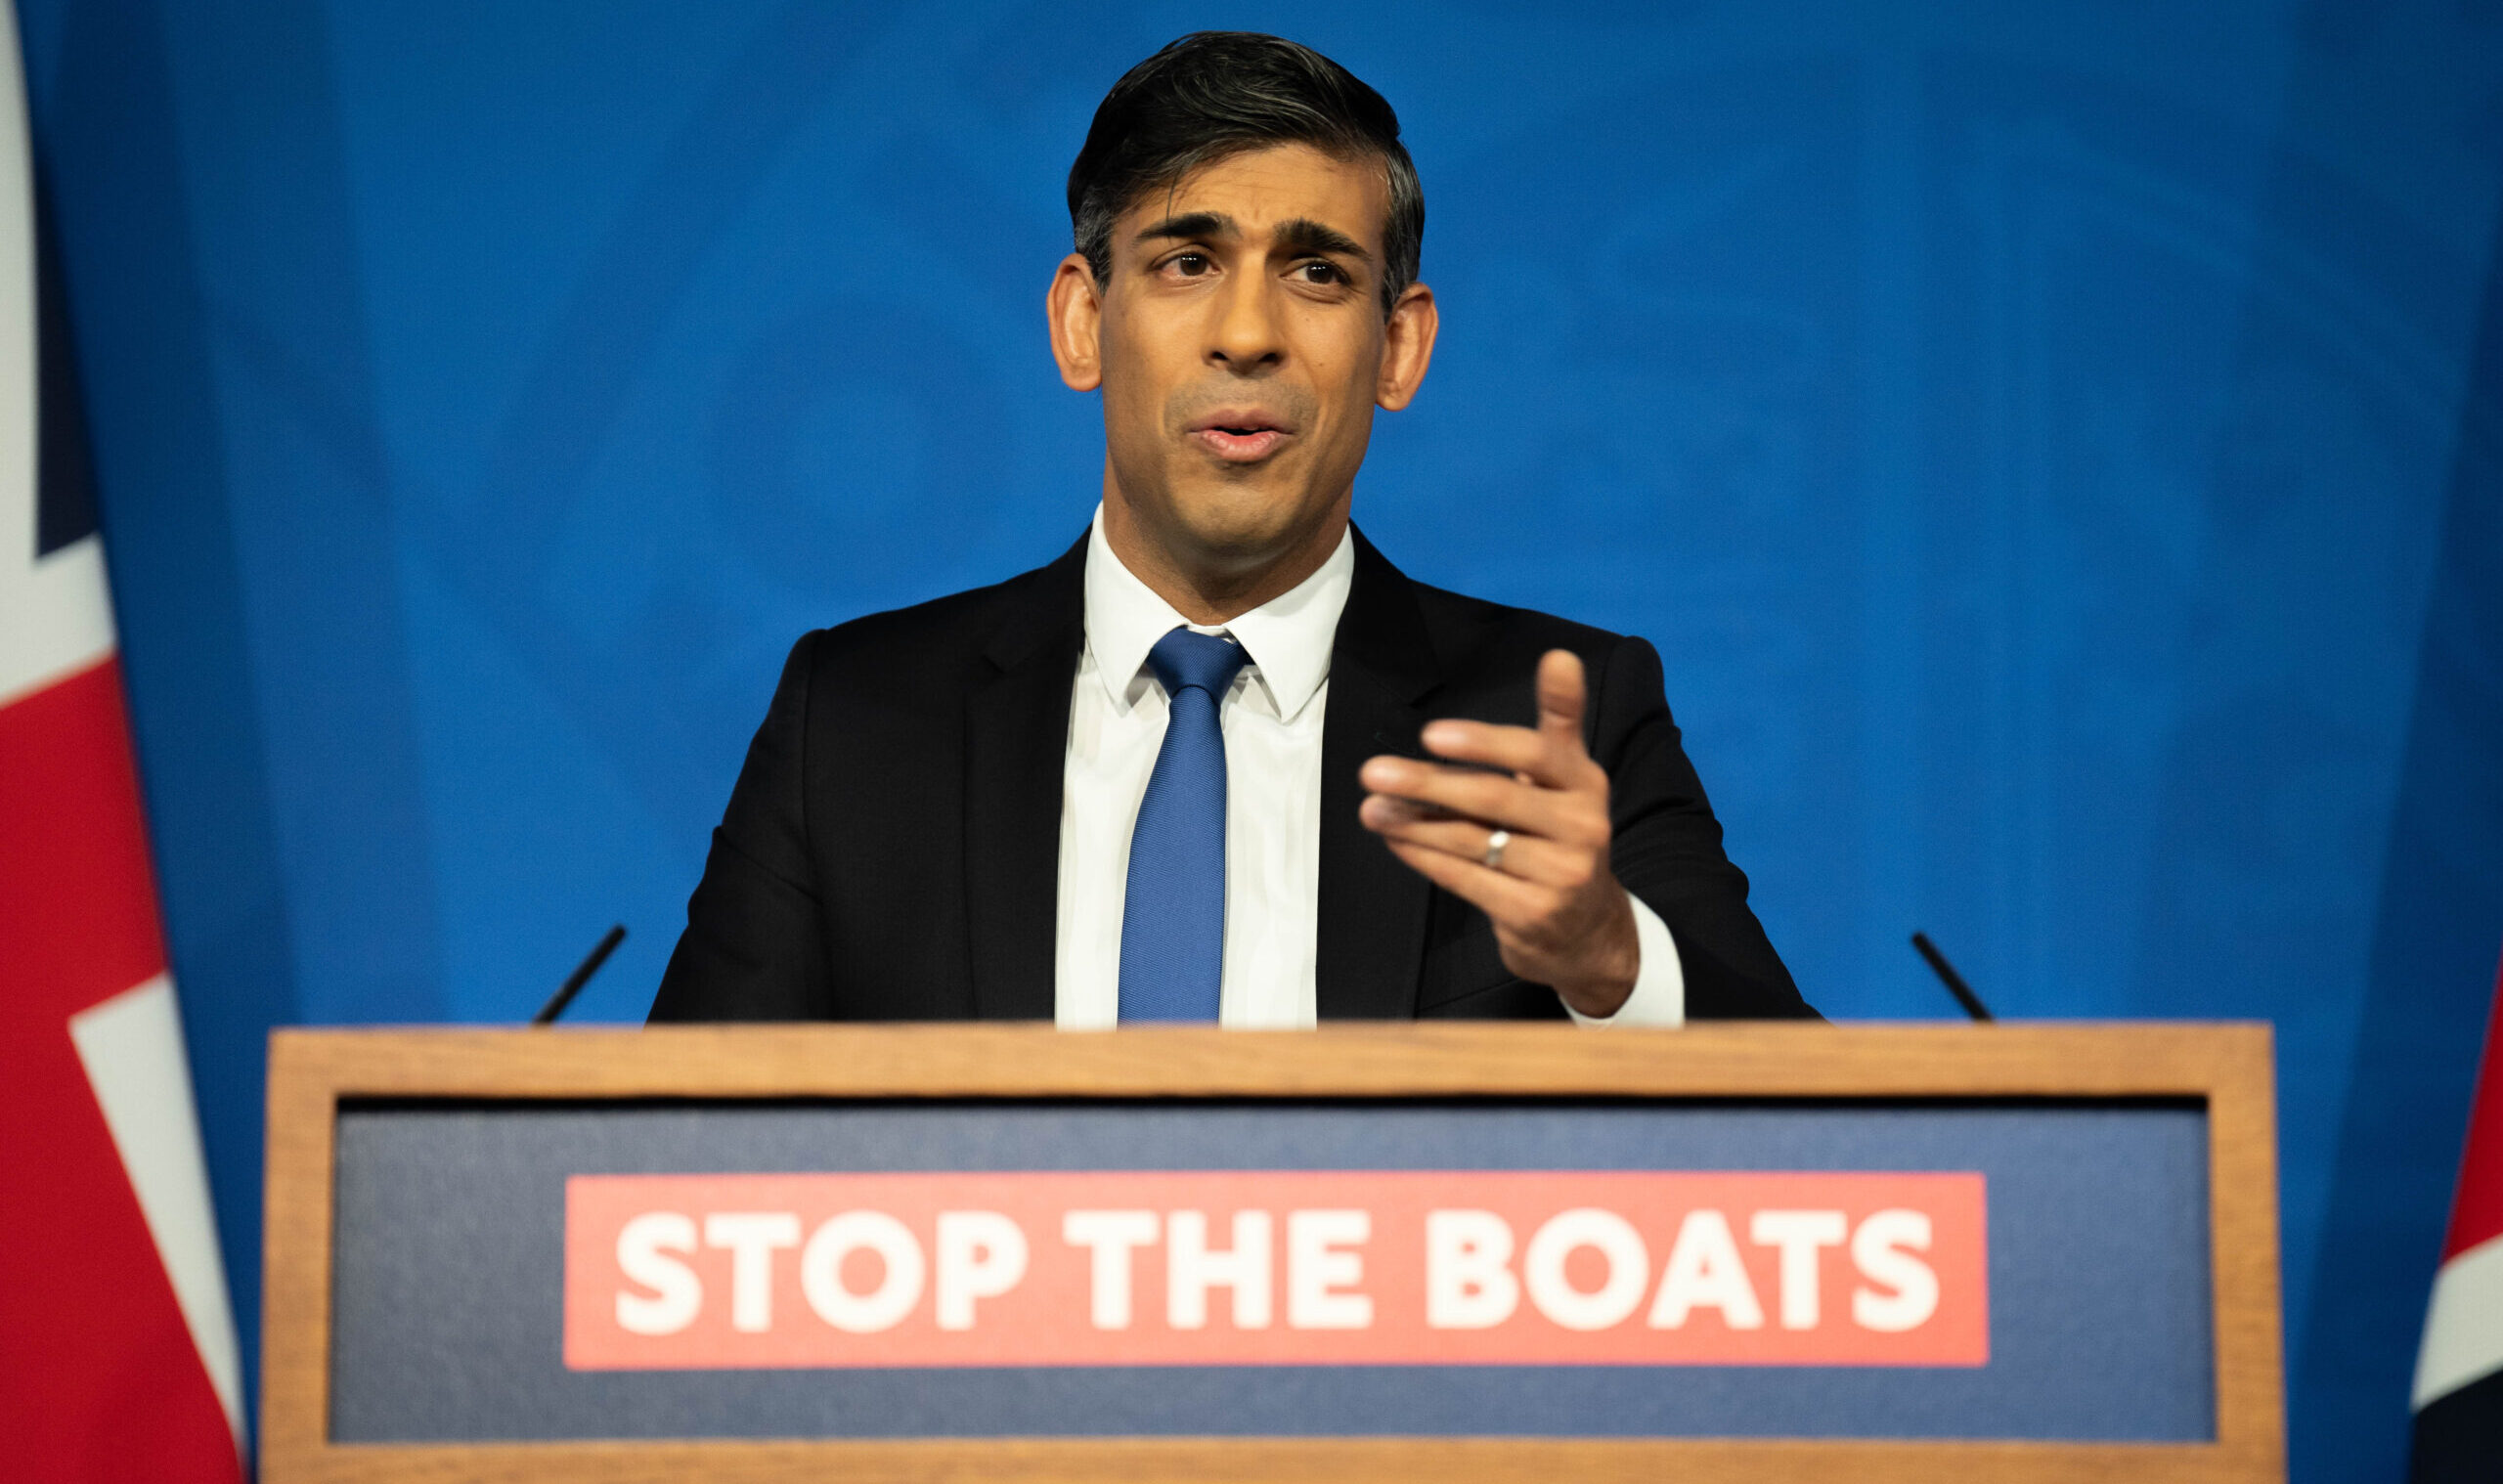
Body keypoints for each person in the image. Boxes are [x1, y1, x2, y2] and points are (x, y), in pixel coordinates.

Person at [649, 31, 1811, 1026]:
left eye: (1314, 271)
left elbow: (1826, 1145)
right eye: (1187, 262)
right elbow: (671, 1174)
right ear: (1082, 323)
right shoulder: (853, 724)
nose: (1246, 332)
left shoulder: (1554, 720)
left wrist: (1610, 961)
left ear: (1397, 347)